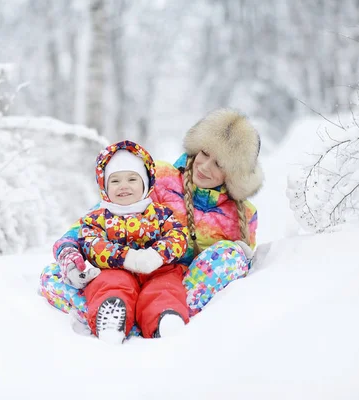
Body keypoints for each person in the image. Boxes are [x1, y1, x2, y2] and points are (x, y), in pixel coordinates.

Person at [39, 108, 264, 331]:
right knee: (53, 276)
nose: (204, 166)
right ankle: (117, 313)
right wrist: (70, 253)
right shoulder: (161, 177)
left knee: (230, 255)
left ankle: (165, 316)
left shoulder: (242, 215)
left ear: (234, 172)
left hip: (176, 283)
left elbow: (232, 272)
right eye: (205, 153)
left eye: (219, 163)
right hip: (124, 268)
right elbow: (99, 219)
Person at [75, 140, 189, 343]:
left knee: (164, 289)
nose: (124, 186)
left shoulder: (161, 213)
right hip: (116, 269)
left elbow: (178, 237)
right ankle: (111, 319)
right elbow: (91, 244)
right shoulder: (97, 218)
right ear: (104, 187)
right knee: (110, 285)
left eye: (132, 179)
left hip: (157, 270)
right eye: (115, 181)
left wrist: (157, 254)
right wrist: (125, 258)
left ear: (146, 183)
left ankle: (164, 318)